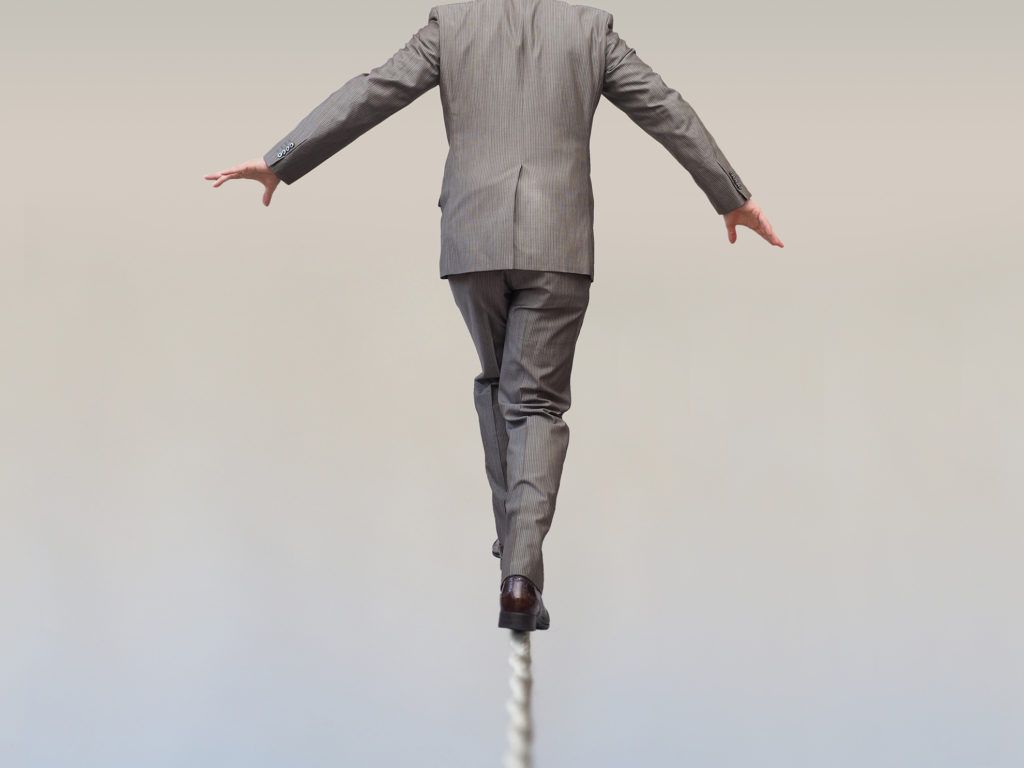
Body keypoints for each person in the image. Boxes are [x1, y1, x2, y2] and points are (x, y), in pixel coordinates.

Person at [204, 0, 784, 633]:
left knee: (500, 386)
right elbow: (666, 109)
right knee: (533, 404)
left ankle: (514, 558)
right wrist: (733, 197)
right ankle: (521, 576)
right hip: (557, 244)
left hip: (473, 241)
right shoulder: (591, 30)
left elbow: (372, 94)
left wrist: (282, 160)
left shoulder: (451, 26)